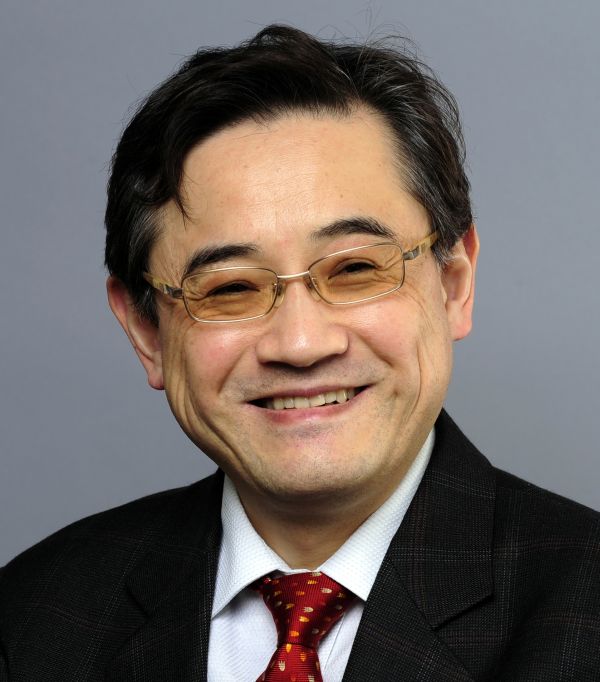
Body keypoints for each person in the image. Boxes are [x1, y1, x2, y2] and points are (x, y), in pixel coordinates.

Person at [1, 24, 598, 682]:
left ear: (454, 283)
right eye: (229, 289)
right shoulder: (33, 619)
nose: (301, 344)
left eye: (355, 270)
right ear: (147, 332)